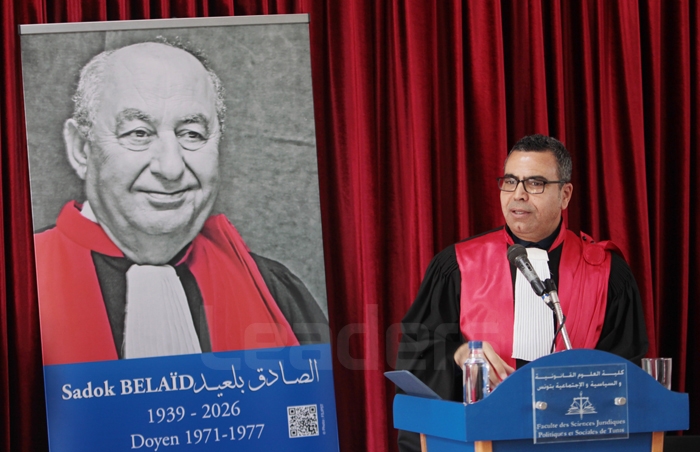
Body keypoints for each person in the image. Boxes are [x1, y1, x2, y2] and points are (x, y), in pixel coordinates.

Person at [33, 41, 328, 366]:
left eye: (192, 134)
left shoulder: (273, 291)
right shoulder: (21, 284)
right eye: (138, 133)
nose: (171, 168)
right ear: (81, 149)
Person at [395, 134, 648, 452]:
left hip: (574, 442)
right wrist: (457, 355)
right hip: (482, 441)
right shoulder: (457, 265)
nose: (518, 195)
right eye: (510, 182)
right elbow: (417, 356)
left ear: (565, 195)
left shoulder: (606, 272)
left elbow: (625, 377)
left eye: (535, 183)